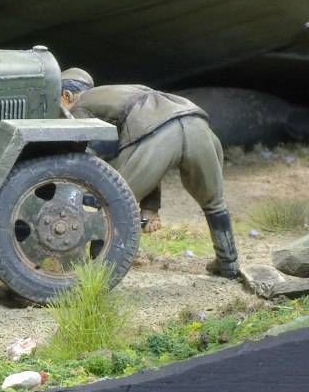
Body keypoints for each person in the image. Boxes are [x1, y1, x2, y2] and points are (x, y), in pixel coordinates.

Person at [59, 68, 239, 278]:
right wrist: (150, 209)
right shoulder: (123, 90)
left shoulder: (80, 106)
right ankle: (228, 262)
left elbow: (82, 156)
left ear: (66, 95)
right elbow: (148, 156)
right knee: (214, 203)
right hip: (196, 122)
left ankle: (99, 268)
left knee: (111, 199)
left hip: (159, 131)